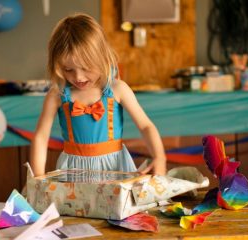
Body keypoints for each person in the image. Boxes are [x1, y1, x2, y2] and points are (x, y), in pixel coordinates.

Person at [30, 13, 166, 177]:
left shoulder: (118, 89)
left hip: (115, 169)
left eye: (86, 67)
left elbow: (146, 126)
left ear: (102, 57)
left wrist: (159, 157)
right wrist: (37, 177)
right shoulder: (56, 95)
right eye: (68, 70)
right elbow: (41, 137)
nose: (78, 77)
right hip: (73, 172)